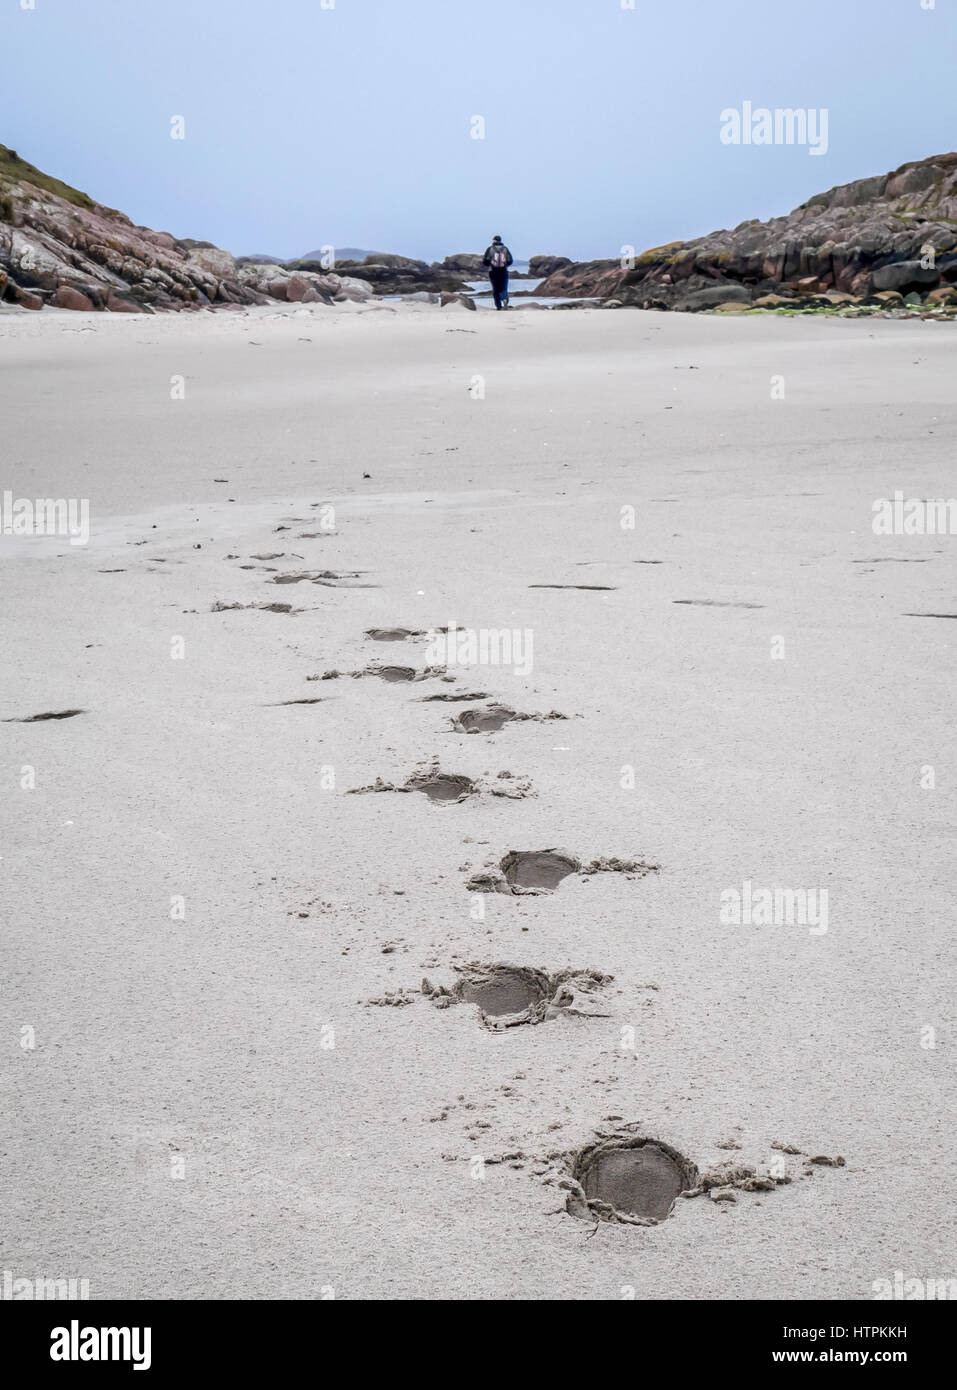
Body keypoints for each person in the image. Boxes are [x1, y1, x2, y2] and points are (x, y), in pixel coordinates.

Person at [482, 235, 513, 309]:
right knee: (503, 287)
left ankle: (499, 306)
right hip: (503, 271)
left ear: (494, 240)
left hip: (493, 271)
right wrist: (505, 265)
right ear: (500, 240)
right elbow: (510, 260)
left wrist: (490, 264)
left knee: (495, 289)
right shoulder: (505, 249)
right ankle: (504, 299)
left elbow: (485, 261)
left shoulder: (490, 249)